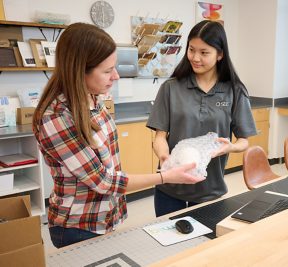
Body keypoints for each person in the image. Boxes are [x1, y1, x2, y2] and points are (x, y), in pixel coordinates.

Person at [32, 23, 204, 249]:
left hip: (105, 216)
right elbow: (103, 181)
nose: (116, 76)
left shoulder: (92, 97)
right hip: (78, 225)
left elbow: (108, 163)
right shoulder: (56, 117)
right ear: (79, 70)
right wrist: (166, 176)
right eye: (106, 71)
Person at [147, 20, 257, 217]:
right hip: (171, 187)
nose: (195, 57)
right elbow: (160, 137)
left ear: (220, 54)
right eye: (191, 50)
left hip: (210, 190)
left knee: (207, 246)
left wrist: (229, 147)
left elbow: (243, 142)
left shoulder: (234, 91)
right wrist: (164, 157)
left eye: (204, 52)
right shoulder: (171, 88)